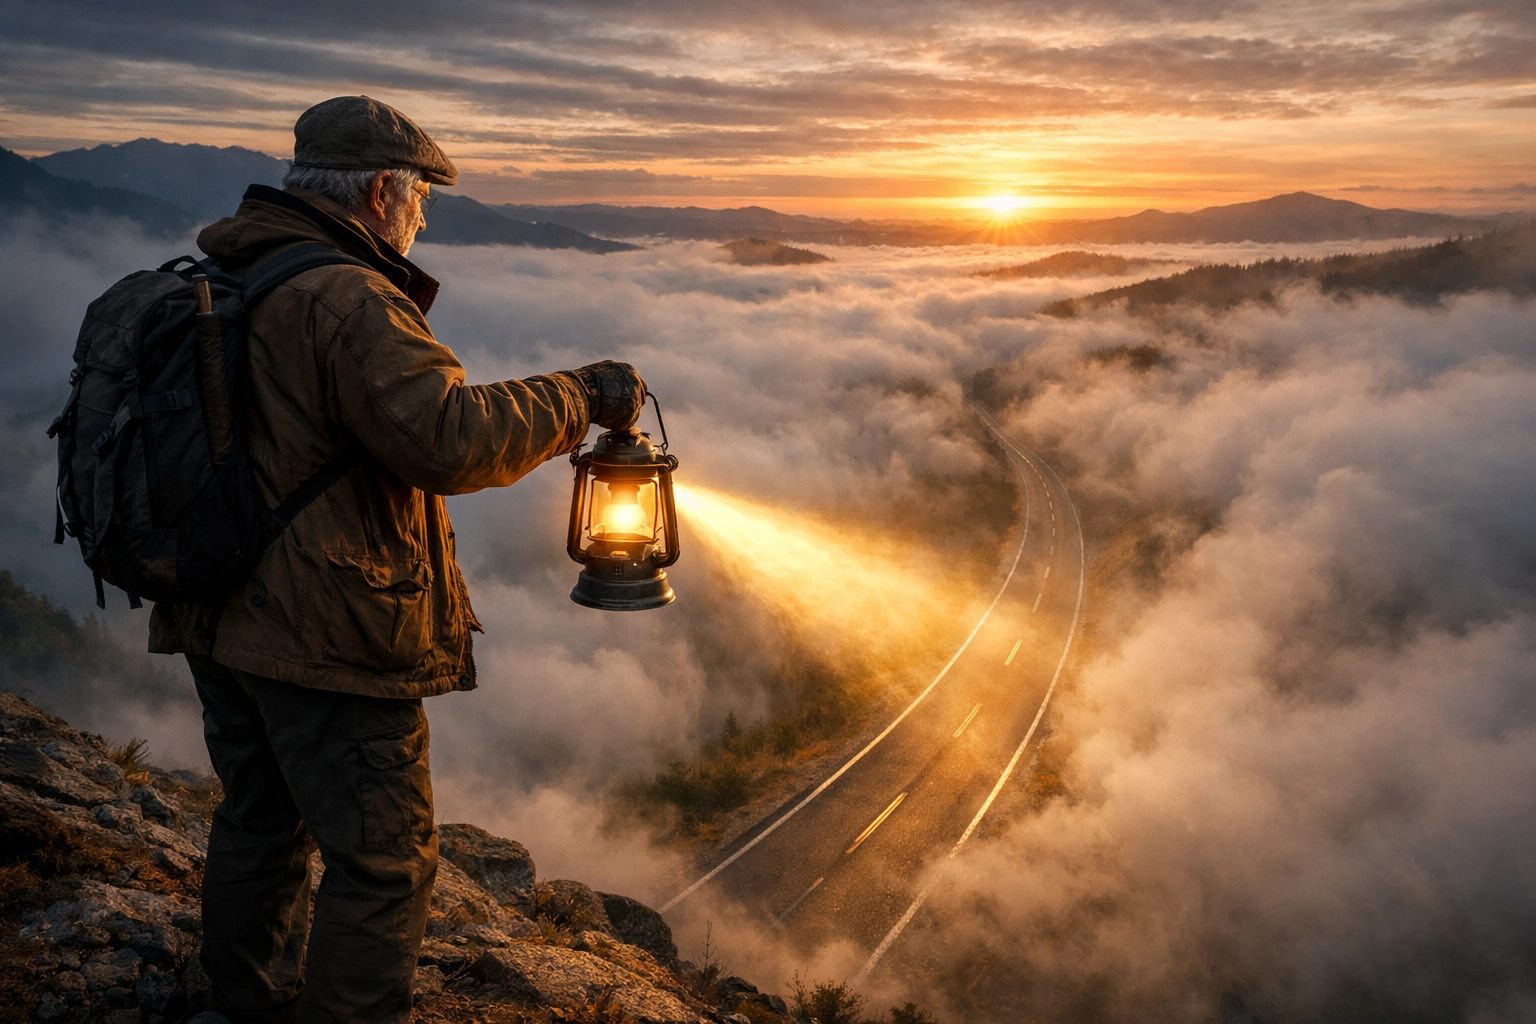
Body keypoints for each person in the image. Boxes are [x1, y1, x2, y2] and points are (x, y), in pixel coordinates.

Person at [158, 96, 647, 1024]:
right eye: (420, 197)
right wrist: (582, 394)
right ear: (383, 190)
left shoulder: (237, 272)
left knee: (260, 818)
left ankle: (236, 1003)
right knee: (384, 860)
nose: (421, 217)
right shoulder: (348, 297)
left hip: (216, 608)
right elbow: (450, 437)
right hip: (322, 630)